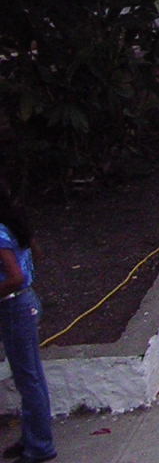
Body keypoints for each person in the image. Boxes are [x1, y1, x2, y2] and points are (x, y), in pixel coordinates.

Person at [0, 183, 53, 463]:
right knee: (29, 376)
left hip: (14, 306)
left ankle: (40, 447)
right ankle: (33, 437)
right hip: (25, 303)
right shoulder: (12, 224)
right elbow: (36, 255)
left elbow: (15, 277)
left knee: (28, 378)